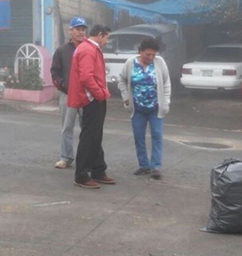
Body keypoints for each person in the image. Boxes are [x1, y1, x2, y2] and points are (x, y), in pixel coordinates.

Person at [118, 37, 171, 180]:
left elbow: (166, 83)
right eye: (148, 54)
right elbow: (121, 80)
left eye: (153, 54)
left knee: (157, 135)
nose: (151, 57)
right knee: (139, 137)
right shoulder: (130, 63)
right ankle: (143, 165)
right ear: (140, 51)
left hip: (155, 108)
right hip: (137, 108)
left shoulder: (160, 63)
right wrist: (126, 97)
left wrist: (166, 102)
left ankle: (156, 166)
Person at [68, 24, 114, 189]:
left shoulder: (90, 48)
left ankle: (98, 170)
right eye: (107, 37)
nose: (107, 41)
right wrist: (99, 94)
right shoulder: (88, 49)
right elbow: (86, 77)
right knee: (89, 137)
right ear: (100, 35)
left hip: (94, 97)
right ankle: (82, 175)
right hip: (91, 99)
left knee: (95, 135)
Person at [50, 17, 86, 169]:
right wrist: (64, 85)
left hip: (86, 95)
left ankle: (86, 158)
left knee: (87, 128)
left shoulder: (89, 49)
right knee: (67, 127)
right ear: (70, 31)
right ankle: (66, 157)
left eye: (83, 29)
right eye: (77, 29)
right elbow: (55, 72)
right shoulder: (62, 51)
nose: (80, 32)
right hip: (68, 94)